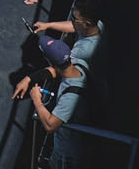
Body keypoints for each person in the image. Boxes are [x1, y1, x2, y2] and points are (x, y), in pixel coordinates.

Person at [19, 38, 90, 169]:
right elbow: (56, 70)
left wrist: (37, 100)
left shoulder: (70, 97)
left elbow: (51, 125)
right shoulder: (79, 63)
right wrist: (29, 78)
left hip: (68, 151)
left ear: (50, 61)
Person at [31, 0, 104, 67]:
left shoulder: (82, 50)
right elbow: (74, 26)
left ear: (87, 24)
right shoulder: (96, 24)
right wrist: (48, 25)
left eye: (74, 18)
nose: (71, 21)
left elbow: (64, 67)